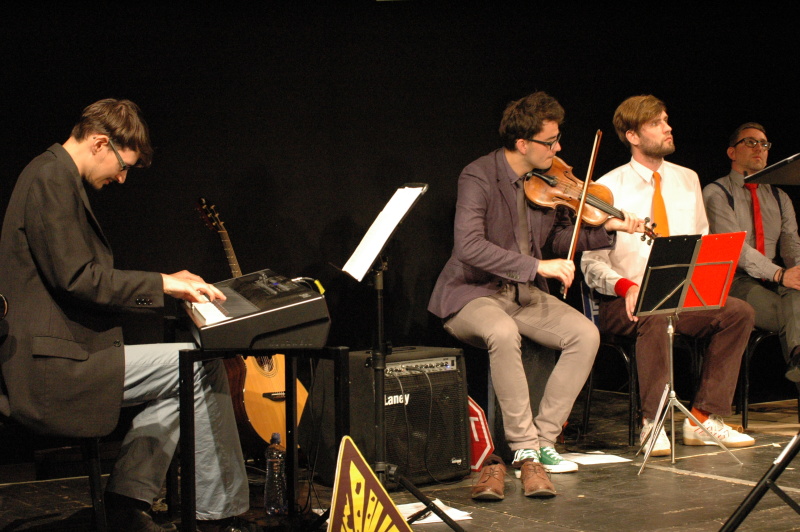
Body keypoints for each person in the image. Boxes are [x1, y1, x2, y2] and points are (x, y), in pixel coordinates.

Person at [0, 99, 249, 532]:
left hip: (61, 356)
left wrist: (165, 283)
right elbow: (78, 278)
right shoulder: (50, 178)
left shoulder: (52, 175)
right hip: (51, 369)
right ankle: (218, 517)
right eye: (123, 165)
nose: (121, 177)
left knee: (188, 371)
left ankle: (128, 499)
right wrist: (163, 284)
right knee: (200, 366)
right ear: (100, 143)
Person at [428, 91, 641, 498]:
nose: (558, 149)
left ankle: (544, 441)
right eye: (550, 141)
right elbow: (468, 246)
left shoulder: (546, 181)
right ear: (522, 143)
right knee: (503, 332)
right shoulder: (478, 176)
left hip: (523, 293)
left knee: (585, 335)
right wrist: (537, 267)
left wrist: (607, 229)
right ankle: (523, 446)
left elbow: (560, 239)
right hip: (472, 292)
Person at [581, 95, 756, 457]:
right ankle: (654, 421)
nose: (667, 128)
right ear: (633, 135)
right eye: (656, 123)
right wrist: (627, 287)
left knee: (739, 312)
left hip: (681, 294)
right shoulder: (607, 187)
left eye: (666, 120)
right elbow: (591, 264)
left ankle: (702, 418)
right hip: (623, 301)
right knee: (656, 313)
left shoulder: (687, 179)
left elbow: (702, 242)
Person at [703, 123, 800, 382]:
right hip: (735, 279)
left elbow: (791, 245)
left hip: (775, 275)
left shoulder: (779, 197)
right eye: (750, 142)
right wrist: (780, 274)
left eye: (764, 144)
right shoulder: (716, 193)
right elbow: (736, 249)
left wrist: (796, 273)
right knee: (792, 316)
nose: (759, 148)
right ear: (732, 152)